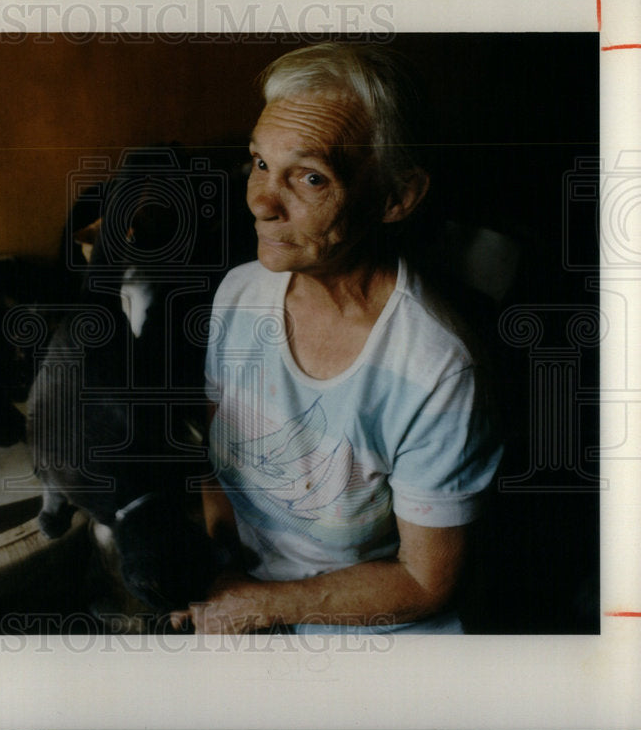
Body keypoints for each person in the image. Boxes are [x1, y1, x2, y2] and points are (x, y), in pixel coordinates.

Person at [170, 42, 502, 635]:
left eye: (311, 177)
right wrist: (218, 576)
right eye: (260, 163)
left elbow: (426, 581)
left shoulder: (436, 368)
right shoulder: (240, 296)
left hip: (373, 624)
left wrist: (258, 606)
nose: (260, 201)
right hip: (251, 595)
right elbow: (216, 467)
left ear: (397, 197)